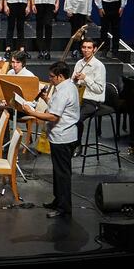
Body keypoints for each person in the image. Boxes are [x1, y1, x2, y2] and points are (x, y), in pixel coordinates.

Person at [22, 62, 80, 218]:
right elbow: (58, 107)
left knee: (62, 174)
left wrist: (31, 112)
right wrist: (46, 99)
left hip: (63, 138)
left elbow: (53, 116)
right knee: (57, 171)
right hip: (61, 136)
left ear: (60, 76)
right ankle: (58, 200)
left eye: (52, 76)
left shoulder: (64, 91)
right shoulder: (67, 87)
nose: (50, 79)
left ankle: (64, 208)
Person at [73, 39, 106, 153]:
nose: (86, 50)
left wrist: (85, 78)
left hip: (92, 101)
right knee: (65, 115)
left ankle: (77, 145)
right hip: (79, 98)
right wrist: (75, 80)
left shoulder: (99, 66)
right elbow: (73, 83)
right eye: (84, 47)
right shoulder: (79, 63)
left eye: (89, 48)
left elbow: (99, 89)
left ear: (94, 49)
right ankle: (67, 143)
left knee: (77, 119)